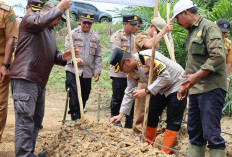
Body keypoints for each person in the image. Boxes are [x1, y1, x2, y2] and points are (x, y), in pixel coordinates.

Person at [10, 0, 74, 156]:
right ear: (48, 11)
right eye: (58, 17)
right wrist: (60, 7)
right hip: (25, 79)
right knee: (25, 121)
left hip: (39, 82)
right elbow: (40, 21)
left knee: (36, 121)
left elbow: (53, 56)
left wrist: (63, 57)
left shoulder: (49, 34)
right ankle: (23, 154)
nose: (59, 21)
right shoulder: (31, 19)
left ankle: (28, 152)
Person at [171, 0, 227, 156]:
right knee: (195, 133)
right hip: (196, 89)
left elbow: (218, 56)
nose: (177, 22)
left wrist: (196, 76)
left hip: (211, 88)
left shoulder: (208, 27)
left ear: (186, 13)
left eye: (177, 18)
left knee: (211, 133)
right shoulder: (191, 32)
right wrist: (185, 85)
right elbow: (192, 65)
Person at [109, 48, 187, 154]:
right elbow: (129, 92)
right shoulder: (131, 71)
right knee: (151, 114)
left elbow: (166, 77)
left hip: (177, 83)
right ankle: (148, 147)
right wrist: (120, 115)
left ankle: (164, 153)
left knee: (173, 119)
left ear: (127, 60)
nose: (122, 71)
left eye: (121, 68)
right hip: (160, 87)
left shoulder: (147, 58)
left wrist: (146, 91)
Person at [132, 17, 173, 135]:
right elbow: (149, 45)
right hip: (142, 77)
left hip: (153, 78)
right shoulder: (141, 36)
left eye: (160, 32)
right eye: (158, 31)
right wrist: (164, 31)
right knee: (140, 109)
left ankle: (146, 132)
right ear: (151, 27)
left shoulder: (156, 38)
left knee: (150, 108)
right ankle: (137, 132)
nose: (160, 33)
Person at [64, 12, 102, 120]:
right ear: (80, 21)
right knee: (74, 93)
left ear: (93, 23)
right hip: (73, 70)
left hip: (87, 72)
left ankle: (80, 112)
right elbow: (67, 51)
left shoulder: (95, 37)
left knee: (85, 93)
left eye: (89, 23)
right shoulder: (72, 34)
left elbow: (98, 56)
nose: (86, 25)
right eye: (84, 22)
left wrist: (97, 70)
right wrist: (74, 59)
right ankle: (75, 117)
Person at [110, 15, 138, 128]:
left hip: (131, 73)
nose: (135, 27)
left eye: (136, 24)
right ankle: (115, 118)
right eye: (132, 24)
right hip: (119, 73)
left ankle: (129, 121)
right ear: (125, 23)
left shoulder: (135, 37)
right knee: (118, 96)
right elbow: (117, 53)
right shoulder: (118, 36)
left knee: (132, 95)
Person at [0, 1, 18, 143]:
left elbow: (10, 38)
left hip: (1, 62)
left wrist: (5, 65)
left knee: (0, 103)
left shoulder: (6, 11)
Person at [216, 19, 232, 90]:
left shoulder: (228, 44)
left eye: (225, 32)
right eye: (221, 31)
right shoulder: (207, 40)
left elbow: (228, 62)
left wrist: (227, 79)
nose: (223, 34)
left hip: (220, 76)